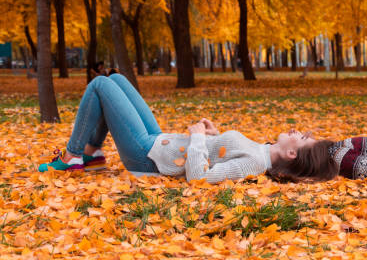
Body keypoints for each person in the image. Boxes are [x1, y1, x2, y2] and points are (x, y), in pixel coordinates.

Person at [38, 74, 334, 183]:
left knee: (101, 85)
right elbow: (218, 155)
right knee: (117, 80)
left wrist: (197, 138)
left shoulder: (256, 163)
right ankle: (93, 155)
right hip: (159, 140)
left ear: (293, 152)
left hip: (147, 156)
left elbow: (200, 178)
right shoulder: (262, 150)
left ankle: (74, 155)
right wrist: (213, 135)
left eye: (303, 137)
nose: (298, 130)